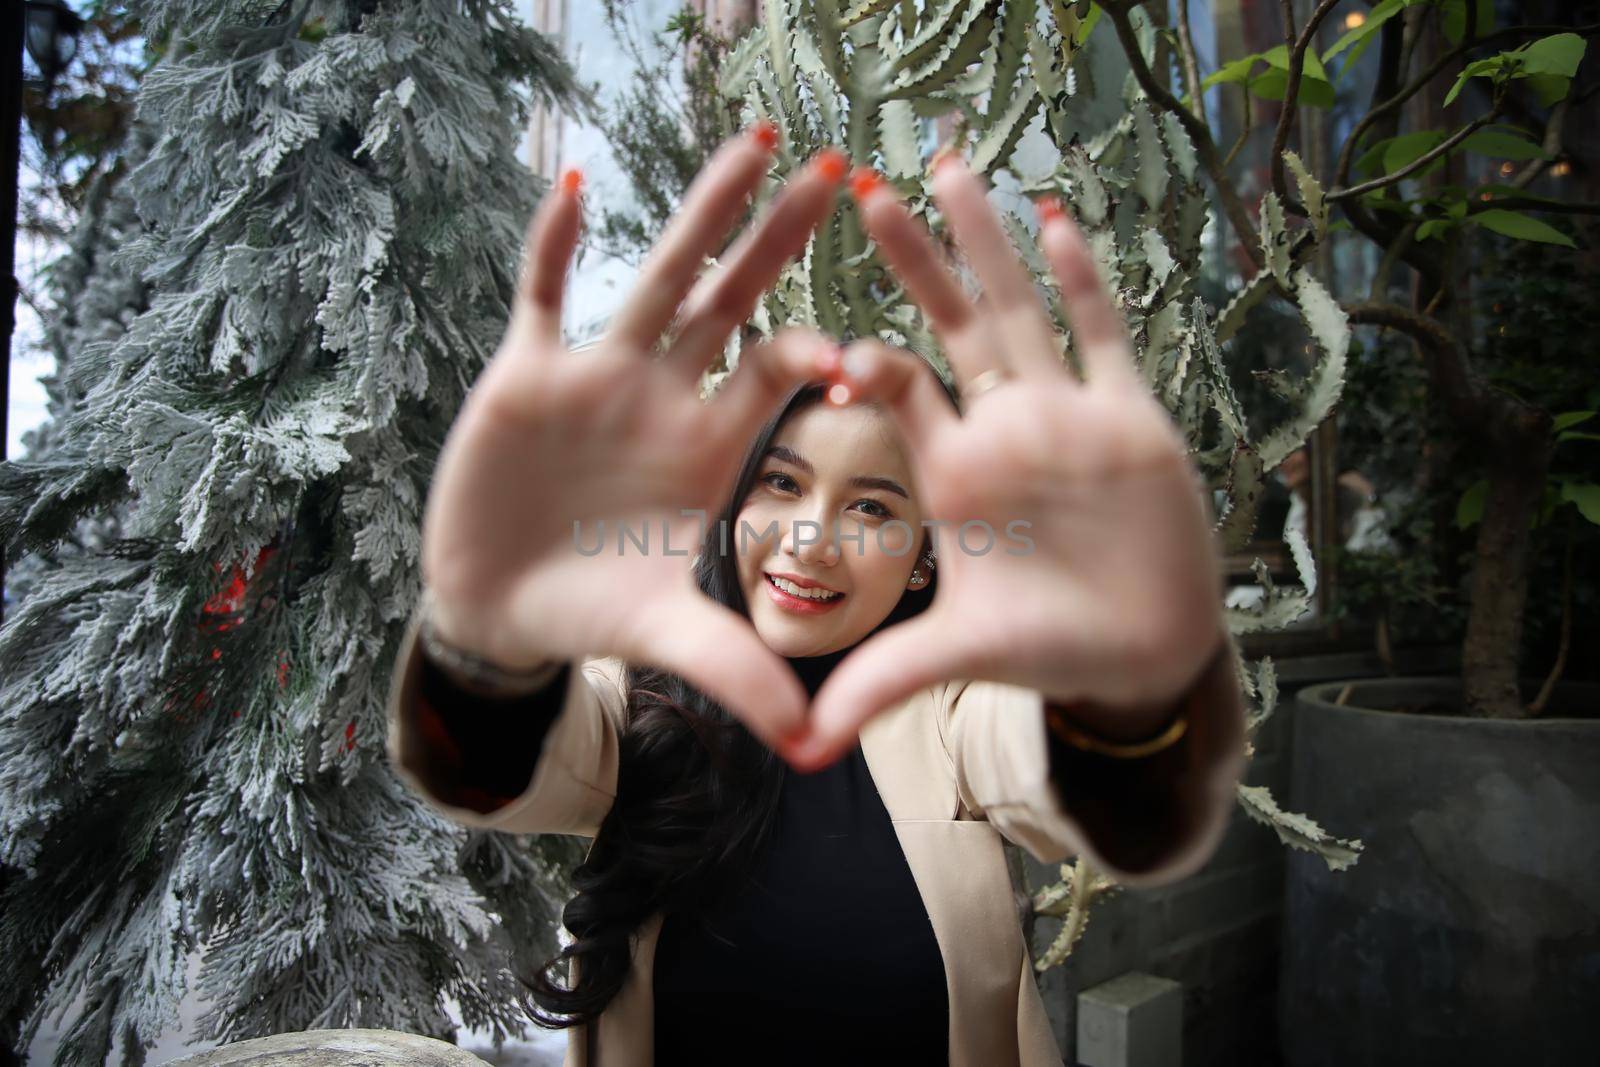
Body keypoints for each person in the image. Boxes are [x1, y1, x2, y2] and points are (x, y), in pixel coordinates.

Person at [385, 123, 1247, 1066]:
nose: (810, 537)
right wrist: (489, 629)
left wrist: (1122, 657)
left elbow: (1088, 787)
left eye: (872, 507)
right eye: (782, 484)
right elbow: (493, 775)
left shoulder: (960, 706)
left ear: (926, 555)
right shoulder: (638, 691)